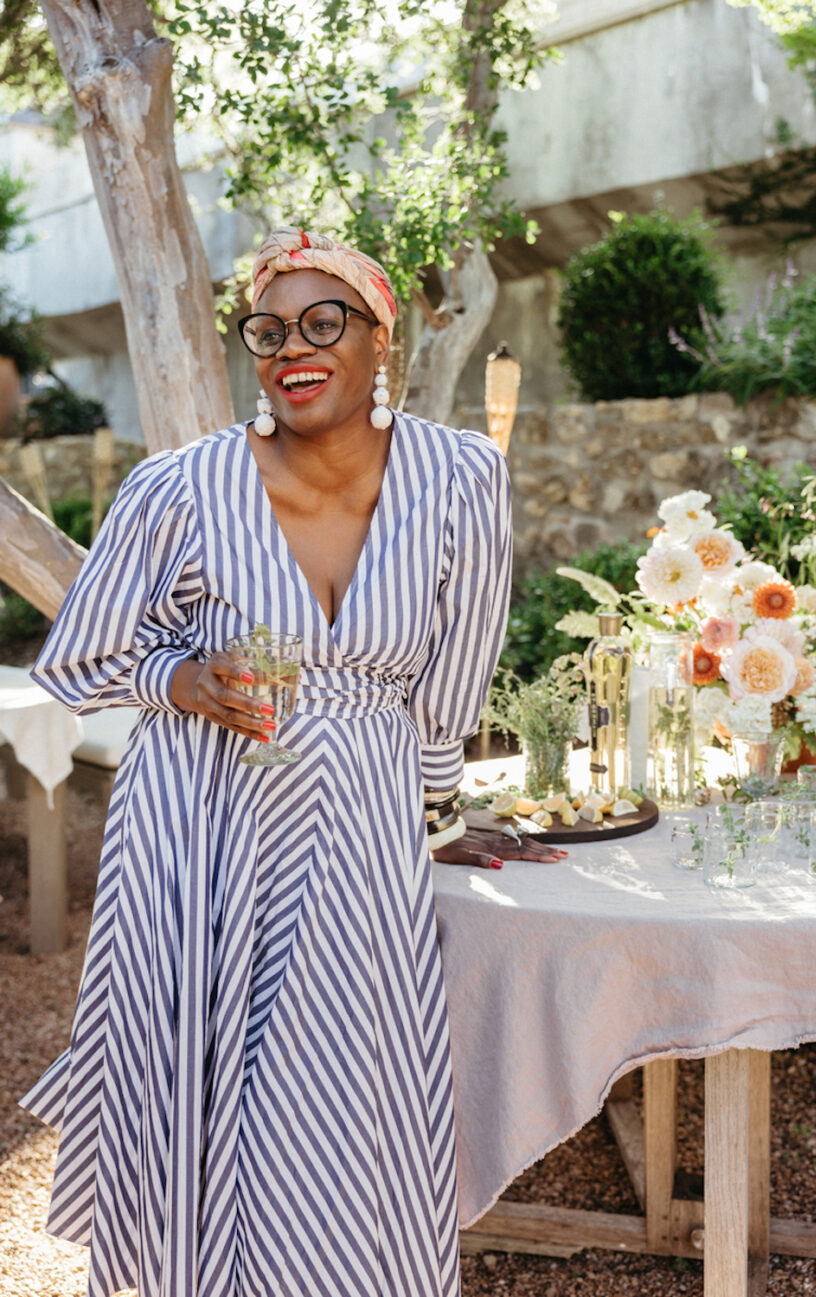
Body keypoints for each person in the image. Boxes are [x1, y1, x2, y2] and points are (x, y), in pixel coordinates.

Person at [20, 227, 564, 1297]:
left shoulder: (460, 480)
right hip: (199, 818)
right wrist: (179, 678)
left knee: (346, 1074)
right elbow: (77, 658)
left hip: (358, 821)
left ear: (381, 344)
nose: (291, 347)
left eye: (325, 322)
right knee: (207, 1065)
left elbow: (447, 690)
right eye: (268, 330)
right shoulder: (180, 488)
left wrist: (441, 815)